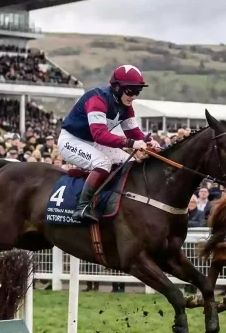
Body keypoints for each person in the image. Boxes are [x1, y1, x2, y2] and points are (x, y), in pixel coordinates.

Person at [58, 65, 161, 222]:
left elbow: (133, 132)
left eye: (137, 92)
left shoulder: (126, 106)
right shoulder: (97, 100)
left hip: (92, 142)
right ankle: (82, 207)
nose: (134, 96)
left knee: (132, 163)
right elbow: (100, 135)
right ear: (117, 87)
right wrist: (132, 143)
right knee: (103, 162)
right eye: (131, 91)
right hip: (72, 141)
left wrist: (148, 141)